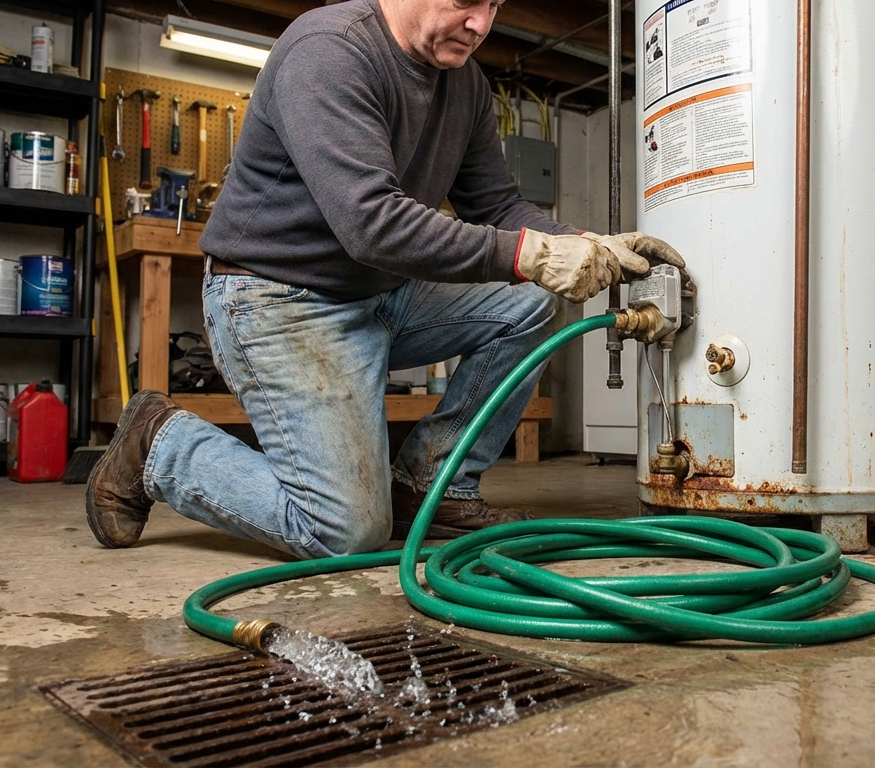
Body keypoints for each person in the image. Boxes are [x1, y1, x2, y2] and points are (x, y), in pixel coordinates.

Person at [85, 0, 683, 560]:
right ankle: (159, 445)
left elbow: (497, 207)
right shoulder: (329, 52)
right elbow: (371, 223)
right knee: (344, 530)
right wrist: (533, 253)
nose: (480, 25)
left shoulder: (467, 84)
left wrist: (582, 244)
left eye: (494, 6)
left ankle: (435, 484)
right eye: (465, 2)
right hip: (275, 298)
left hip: (379, 291)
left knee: (527, 300)